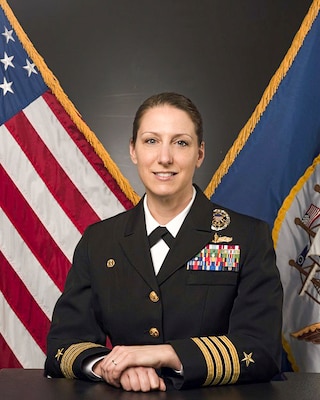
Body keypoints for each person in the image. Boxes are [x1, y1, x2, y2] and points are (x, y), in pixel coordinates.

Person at [44, 92, 283, 392]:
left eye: (180, 142)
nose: (165, 157)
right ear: (133, 150)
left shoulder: (248, 237)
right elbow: (62, 347)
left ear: (199, 153)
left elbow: (261, 350)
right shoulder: (99, 241)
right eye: (151, 141)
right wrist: (112, 367)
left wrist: (165, 354)